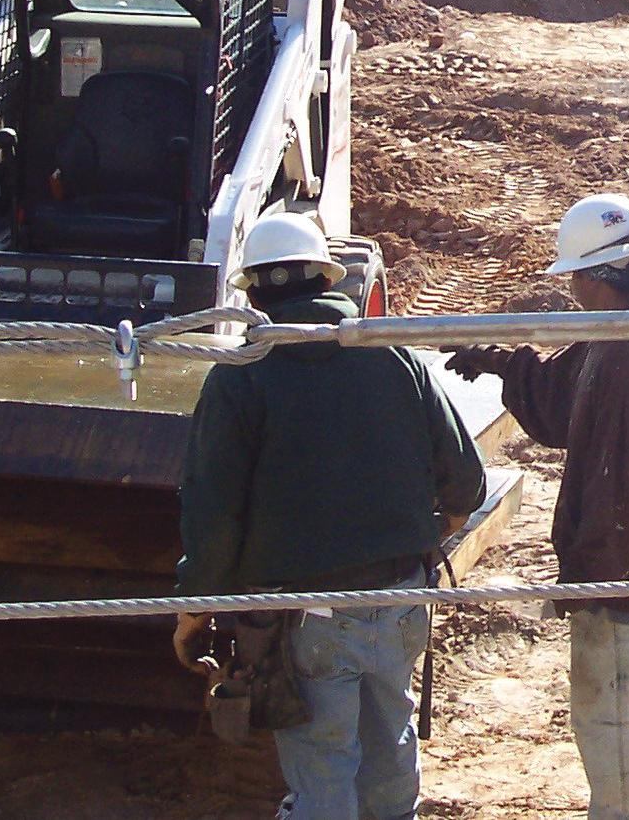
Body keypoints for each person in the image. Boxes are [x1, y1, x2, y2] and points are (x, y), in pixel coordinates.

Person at [177, 216, 488, 820]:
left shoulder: (240, 379)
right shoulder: (395, 358)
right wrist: (423, 538)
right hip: (402, 599)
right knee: (390, 749)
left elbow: (213, 518)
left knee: (323, 776)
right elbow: (466, 486)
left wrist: (193, 612)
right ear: (328, 279)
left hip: (307, 617)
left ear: (254, 295)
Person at [448, 194, 629, 820]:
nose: (571, 289)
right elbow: (564, 398)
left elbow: (618, 487)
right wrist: (501, 361)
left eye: (575, 276)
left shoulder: (624, 358)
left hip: (625, 579)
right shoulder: (625, 331)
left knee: (615, 719)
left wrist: (589, 582)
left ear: (596, 274)